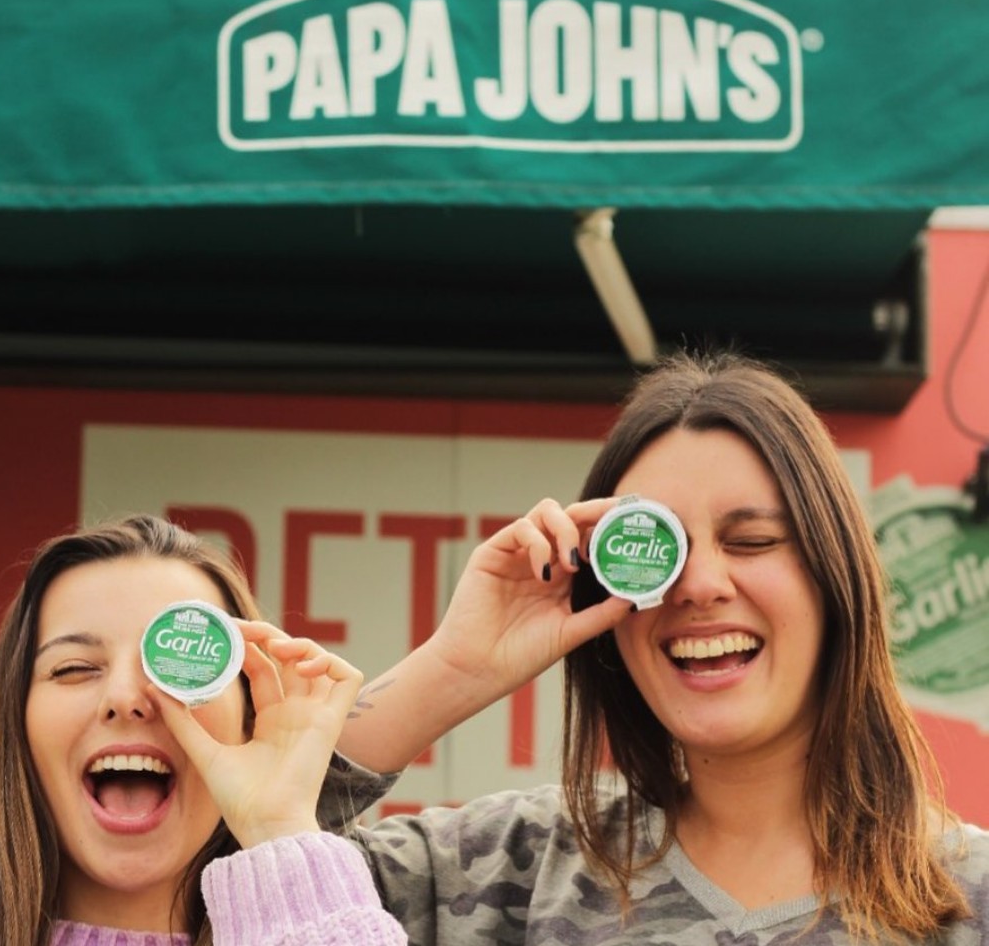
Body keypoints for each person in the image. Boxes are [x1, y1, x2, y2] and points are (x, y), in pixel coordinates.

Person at [331, 351, 989, 944]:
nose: (699, 586)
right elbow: (267, 869)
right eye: (659, 551)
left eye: (751, 542)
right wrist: (454, 668)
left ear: (834, 577)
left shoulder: (971, 899)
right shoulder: (512, 869)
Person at [0, 514, 406, 946]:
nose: (126, 698)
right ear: (15, 722)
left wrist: (278, 830)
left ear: (249, 719)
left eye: (181, 672)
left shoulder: (339, 917)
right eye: (75, 668)